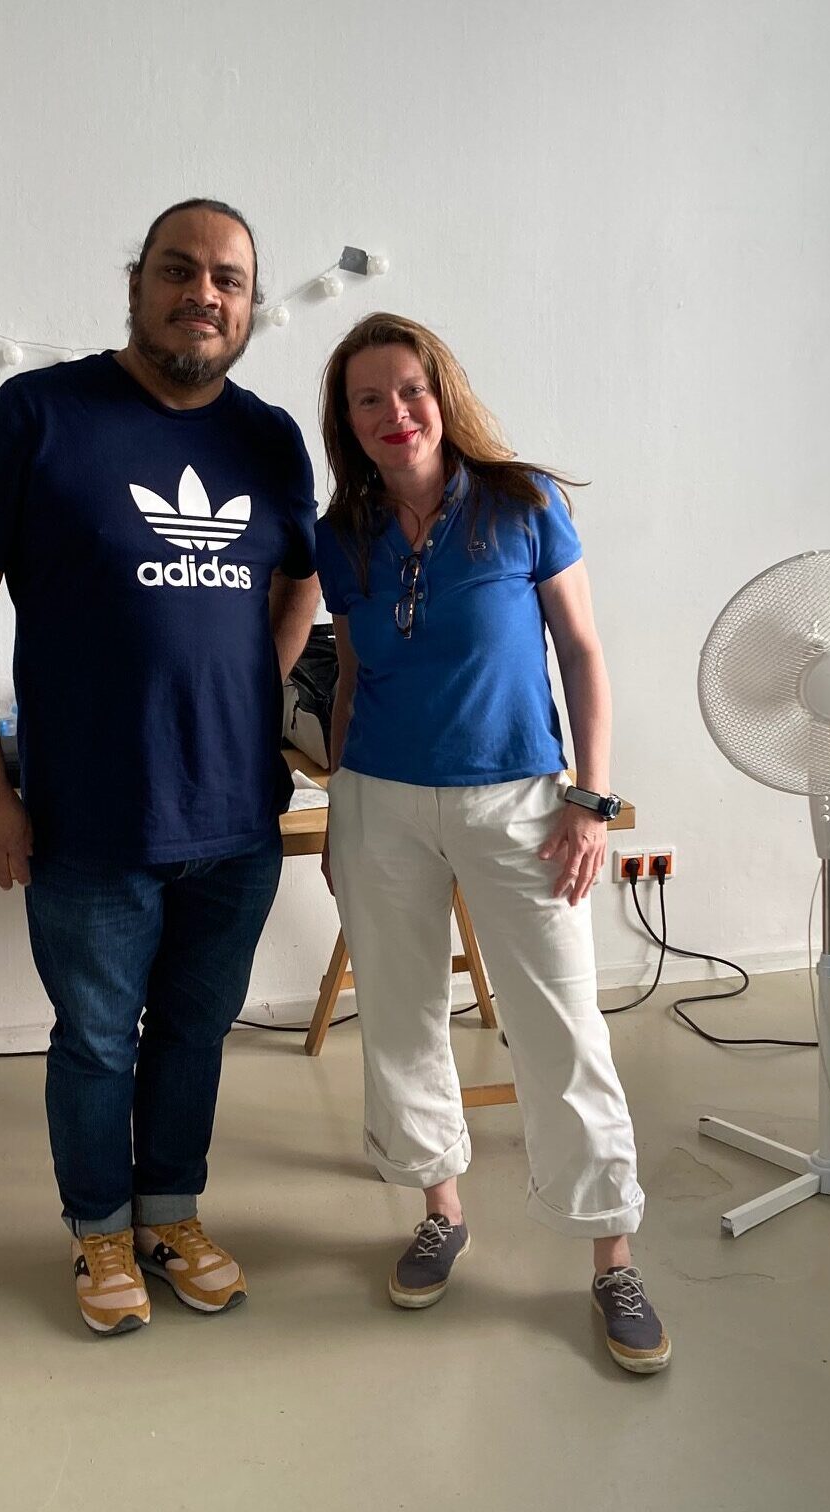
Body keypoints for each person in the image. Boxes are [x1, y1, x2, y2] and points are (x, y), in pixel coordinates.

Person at [0, 199, 320, 1336]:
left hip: (235, 812)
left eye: (229, 280)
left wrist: (254, 694)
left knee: (197, 1030)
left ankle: (171, 1213)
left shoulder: (270, 437)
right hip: (88, 813)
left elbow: (298, 582)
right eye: (181, 271)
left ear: (248, 305)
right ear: (137, 282)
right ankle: (99, 1229)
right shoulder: (36, 414)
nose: (205, 294)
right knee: (97, 1036)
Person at [313, 313, 670, 1374]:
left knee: (562, 1032)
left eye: (410, 390)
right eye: (367, 399)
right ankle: (440, 1209)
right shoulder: (345, 533)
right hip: (379, 801)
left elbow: (584, 654)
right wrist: (338, 805)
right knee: (402, 1019)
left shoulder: (523, 504)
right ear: (348, 421)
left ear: (444, 393)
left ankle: (611, 1255)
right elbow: (347, 676)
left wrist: (591, 800)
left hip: (520, 803)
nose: (394, 414)